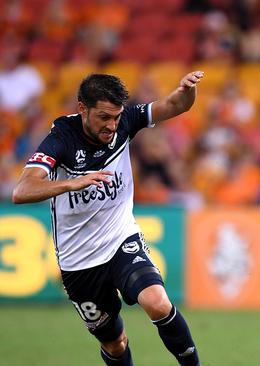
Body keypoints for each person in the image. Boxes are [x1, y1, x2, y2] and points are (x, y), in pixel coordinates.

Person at [12, 71, 205, 365]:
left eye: (116, 117)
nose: (112, 126)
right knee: (115, 344)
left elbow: (175, 105)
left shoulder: (125, 121)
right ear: (82, 109)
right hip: (79, 262)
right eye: (104, 117)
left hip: (120, 239)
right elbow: (22, 190)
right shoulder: (60, 139)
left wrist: (187, 91)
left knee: (158, 303)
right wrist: (71, 182)